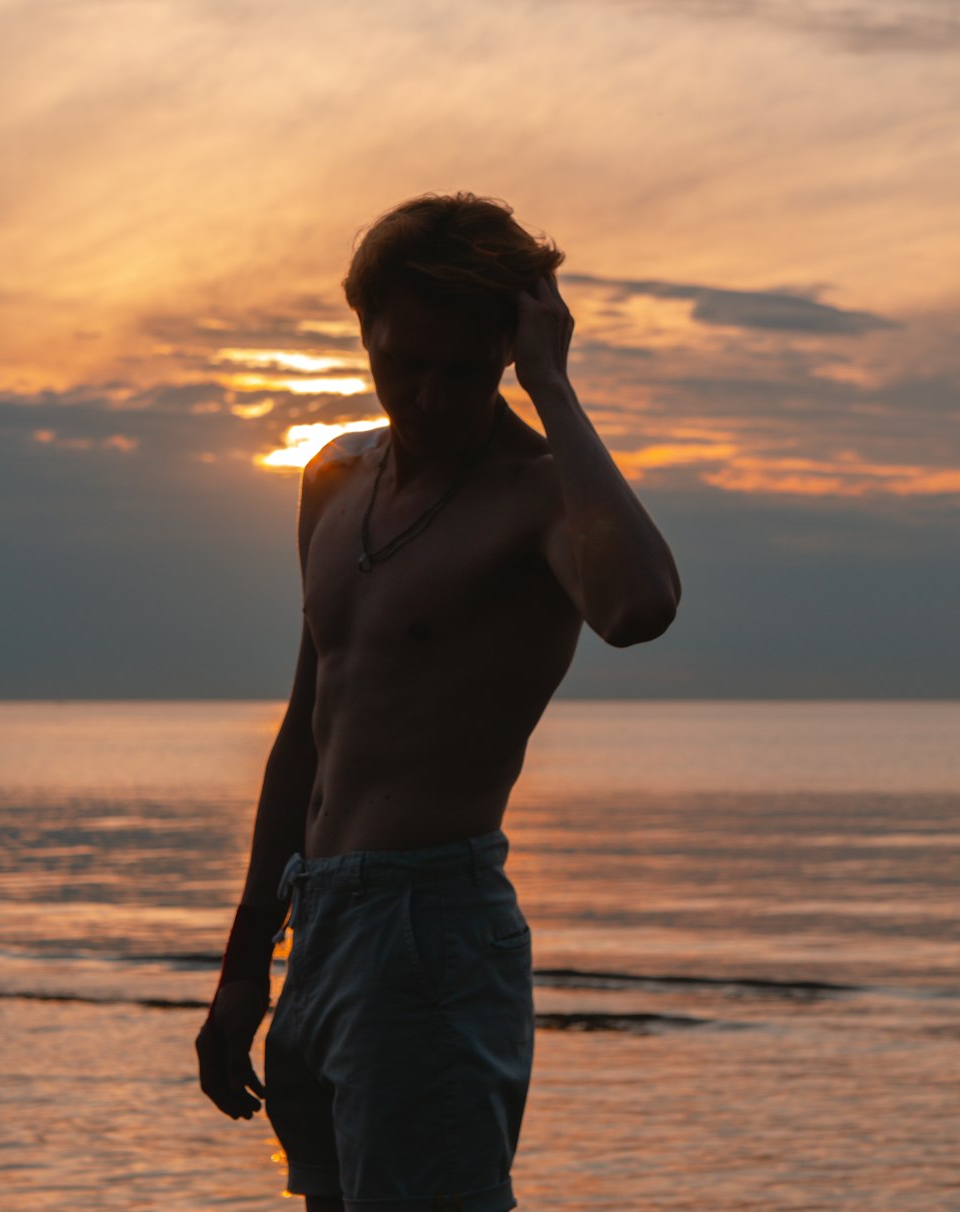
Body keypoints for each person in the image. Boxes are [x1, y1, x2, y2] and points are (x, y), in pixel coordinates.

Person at [196, 192, 681, 1212]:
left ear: (509, 347)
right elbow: (308, 727)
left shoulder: (538, 493)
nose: (427, 394)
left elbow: (637, 607)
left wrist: (552, 385)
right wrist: (243, 966)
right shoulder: (332, 476)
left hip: (432, 925)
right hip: (317, 921)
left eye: (464, 368)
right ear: (362, 327)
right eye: (401, 361)